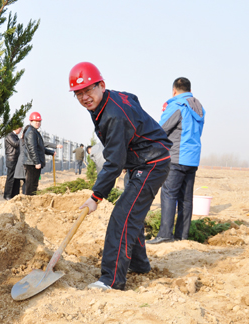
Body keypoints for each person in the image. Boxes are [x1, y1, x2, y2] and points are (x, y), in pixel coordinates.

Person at [70, 62, 172, 291]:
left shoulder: (113, 115)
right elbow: (132, 98)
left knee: (122, 216)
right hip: (141, 161)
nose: (85, 97)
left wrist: (96, 196)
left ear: (101, 85)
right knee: (131, 213)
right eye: (79, 94)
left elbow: (113, 162)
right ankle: (139, 265)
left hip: (151, 163)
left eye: (89, 90)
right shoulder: (105, 103)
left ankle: (111, 279)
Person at [147, 77, 205, 244]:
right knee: (186, 199)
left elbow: (160, 130)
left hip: (176, 157)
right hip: (192, 159)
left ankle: (165, 235)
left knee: (168, 194)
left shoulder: (178, 105)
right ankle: (182, 236)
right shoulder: (199, 108)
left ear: (174, 91)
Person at [23, 112, 55, 195]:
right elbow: (32, 148)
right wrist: (37, 162)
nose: (37, 123)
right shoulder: (31, 132)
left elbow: (39, 147)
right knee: (31, 185)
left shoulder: (34, 131)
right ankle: (29, 201)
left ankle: (31, 200)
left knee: (34, 184)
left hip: (33, 162)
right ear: (31, 121)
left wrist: (51, 152)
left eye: (39, 121)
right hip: (32, 163)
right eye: (35, 121)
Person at [3, 126, 22, 200]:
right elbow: (16, 144)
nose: (20, 130)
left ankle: (15, 195)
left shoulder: (15, 136)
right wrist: (22, 139)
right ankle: (7, 195)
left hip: (16, 160)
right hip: (11, 160)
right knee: (10, 178)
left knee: (17, 178)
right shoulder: (9, 135)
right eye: (19, 128)